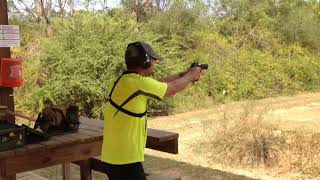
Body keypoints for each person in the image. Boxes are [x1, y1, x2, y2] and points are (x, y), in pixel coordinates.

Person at [101, 41, 203, 180]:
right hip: (125, 159)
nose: (155, 64)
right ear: (145, 62)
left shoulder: (124, 80)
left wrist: (183, 74)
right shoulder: (137, 83)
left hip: (114, 156)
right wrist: (191, 75)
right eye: (153, 61)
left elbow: (158, 83)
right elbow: (170, 89)